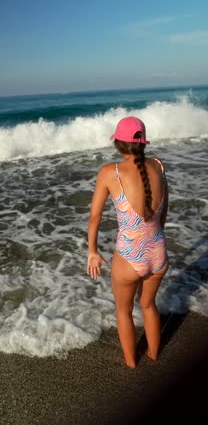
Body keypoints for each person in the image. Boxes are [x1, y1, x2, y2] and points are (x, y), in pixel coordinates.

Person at [87, 116, 169, 368]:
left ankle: (132, 365)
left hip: (129, 257)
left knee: (124, 311)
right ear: (143, 143)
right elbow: (165, 208)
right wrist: (154, 239)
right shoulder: (158, 165)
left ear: (119, 144)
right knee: (148, 305)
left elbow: (95, 217)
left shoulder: (110, 173)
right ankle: (154, 356)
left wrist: (92, 250)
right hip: (158, 251)